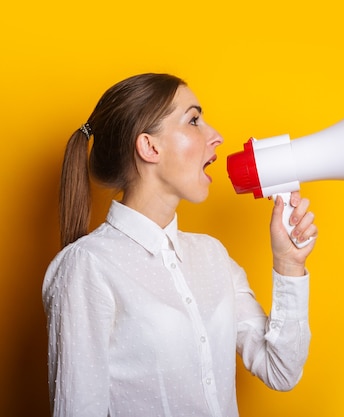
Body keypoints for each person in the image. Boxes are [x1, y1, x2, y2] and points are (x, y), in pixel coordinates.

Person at [42, 73, 318, 417]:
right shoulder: (87, 267)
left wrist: (289, 265)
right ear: (149, 147)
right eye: (194, 120)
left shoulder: (213, 256)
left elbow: (281, 370)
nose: (216, 136)